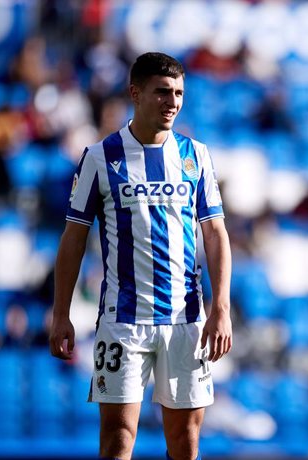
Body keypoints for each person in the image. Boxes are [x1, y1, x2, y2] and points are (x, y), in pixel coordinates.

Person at [49, 52, 233, 460]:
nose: (173, 102)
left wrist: (220, 306)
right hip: (122, 321)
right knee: (118, 438)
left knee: (186, 440)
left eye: (179, 93)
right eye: (162, 92)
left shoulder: (195, 156)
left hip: (186, 320)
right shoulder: (100, 157)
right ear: (135, 93)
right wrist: (61, 312)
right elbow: (73, 237)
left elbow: (215, 233)